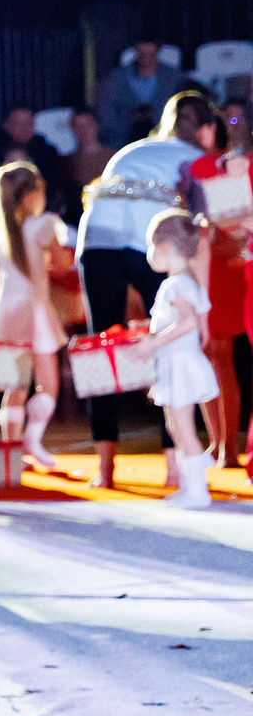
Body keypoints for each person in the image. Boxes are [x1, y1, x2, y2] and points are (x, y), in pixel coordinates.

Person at [75, 91, 219, 487]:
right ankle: (174, 466)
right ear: (206, 130)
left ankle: (105, 470)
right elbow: (213, 229)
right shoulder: (198, 161)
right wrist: (201, 305)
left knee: (100, 348)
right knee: (167, 344)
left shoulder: (133, 148)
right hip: (151, 243)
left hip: (98, 240)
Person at [0, 162, 73, 471]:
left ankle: (11, 449)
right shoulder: (43, 225)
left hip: (5, 315)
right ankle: (32, 440)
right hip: (35, 312)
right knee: (48, 386)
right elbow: (61, 264)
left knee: (15, 387)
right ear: (32, 194)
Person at [136, 209, 220, 507]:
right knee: (175, 426)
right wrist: (150, 331)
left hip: (181, 364)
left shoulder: (175, 285)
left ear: (166, 249)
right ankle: (190, 484)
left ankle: (197, 490)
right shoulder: (185, 281)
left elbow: (188, 323)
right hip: (178, 363)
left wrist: (153, 342)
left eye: (151, 246)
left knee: (182, 428)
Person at [186, 107, 251, 466]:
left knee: (221, 356)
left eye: (238, 119)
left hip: (229, 263)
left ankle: (229, 446)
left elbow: (234, 227)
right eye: (225, 119)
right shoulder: (207, 166)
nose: (231, 125)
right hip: (206, 261)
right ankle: (218, 441)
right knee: (206, 354)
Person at [95, 40, 184, 149]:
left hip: (166, 143)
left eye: (150, 54)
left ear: (158, 51)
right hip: (123, 145)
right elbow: (107, 117)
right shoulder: (116, 79)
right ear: (135, 51)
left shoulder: (175, 79)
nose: (146, 58)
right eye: (142, 54)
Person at [0, 106, 72, 217]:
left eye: (28, 122)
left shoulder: (48, 153)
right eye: (19, 123)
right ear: (7, 126)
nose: (25, 127)